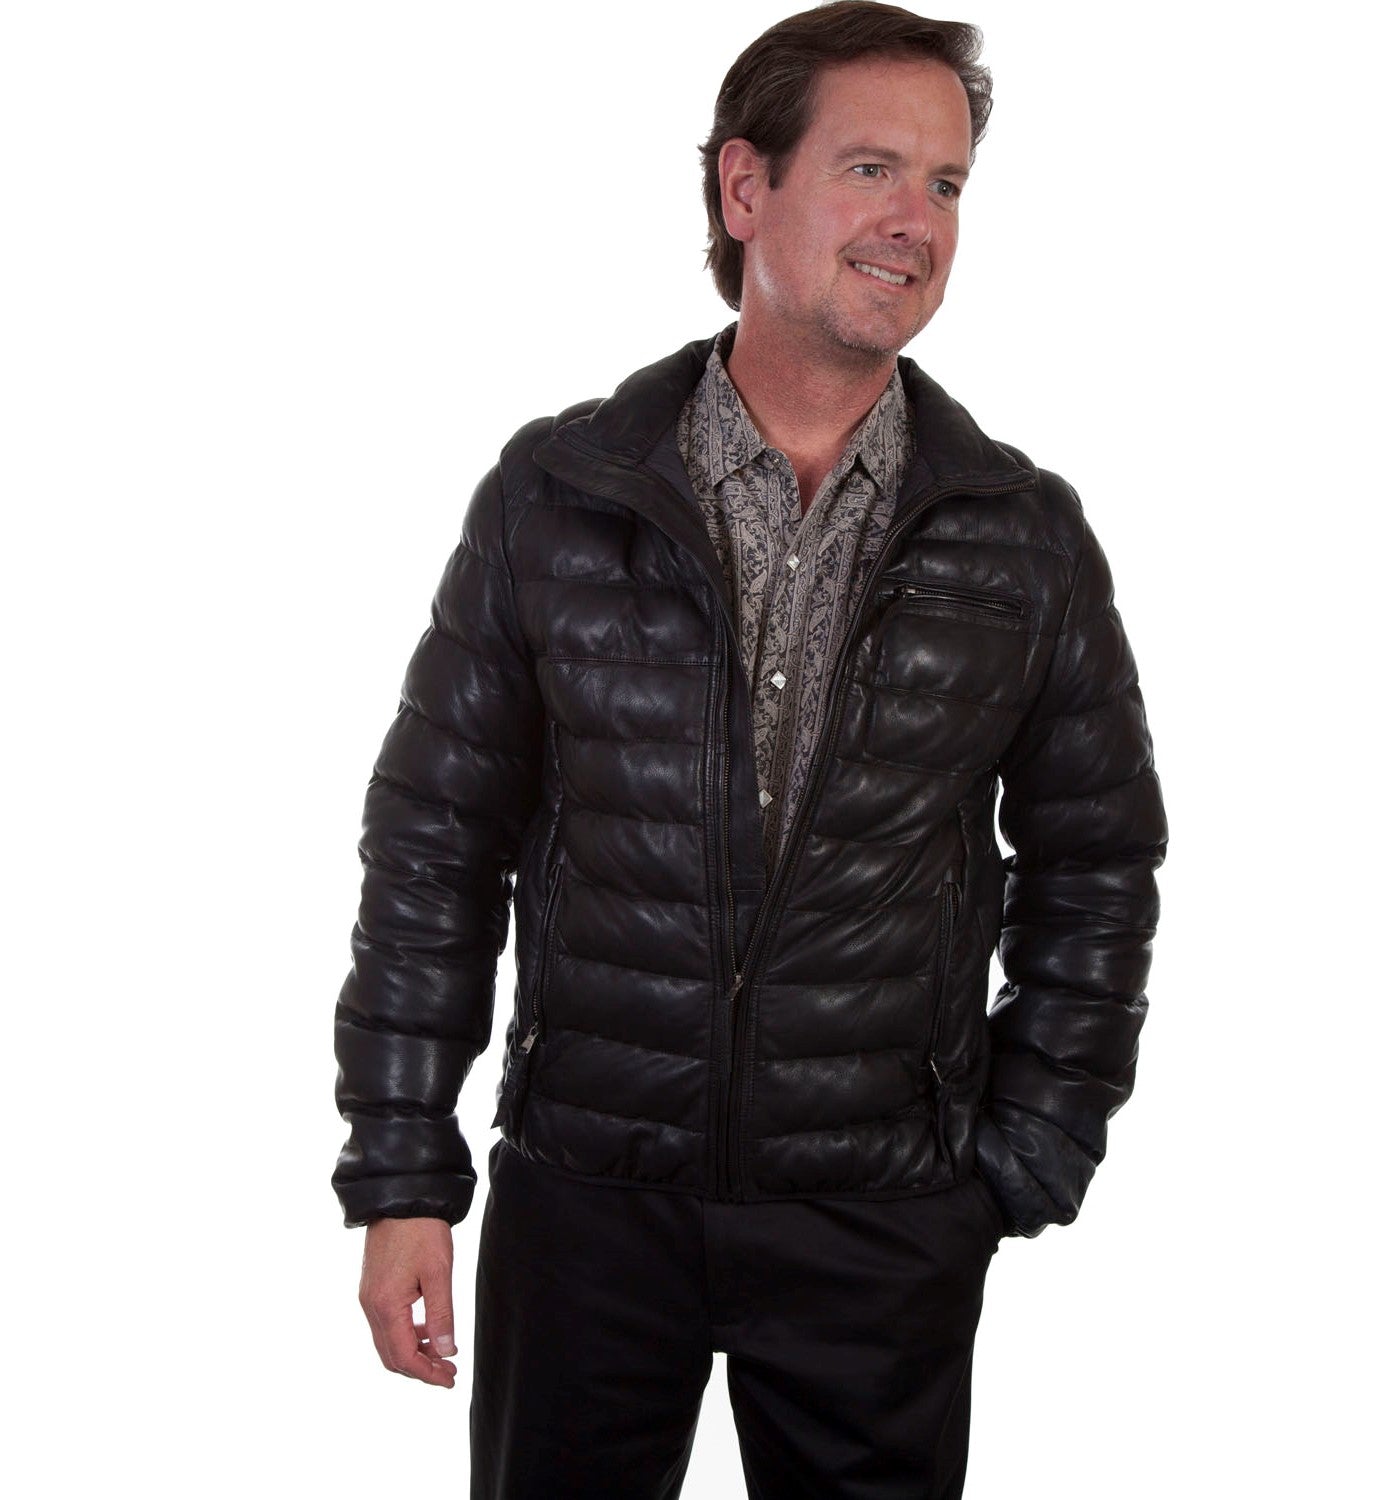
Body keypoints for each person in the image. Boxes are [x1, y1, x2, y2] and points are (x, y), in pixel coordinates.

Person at [331, 3, 1168, 1495]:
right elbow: (434, 844)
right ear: (743, 187)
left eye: (947, 183)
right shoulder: (556, 496)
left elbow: (1097, 860)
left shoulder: (1023, 536)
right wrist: (404, 1172)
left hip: (880, 1219)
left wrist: (1026, 1151)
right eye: (870, 168)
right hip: (587, 1203)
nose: (916, 221)